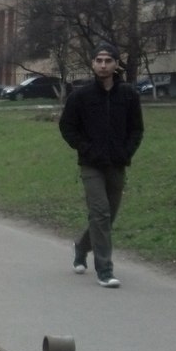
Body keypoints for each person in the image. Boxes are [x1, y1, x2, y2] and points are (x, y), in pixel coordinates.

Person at [59, 42, 143, 288]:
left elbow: (137, 129)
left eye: (108, 61)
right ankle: (105, 270)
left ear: (116, 64)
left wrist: (126, 151)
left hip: (117, 164)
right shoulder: (81, 96)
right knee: (100, 213)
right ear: (93, 64)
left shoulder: (128, 95)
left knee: (107, 218)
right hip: (91, 165)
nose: (103, 65)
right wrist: (85, 148)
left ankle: (81, 246)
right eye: (99, 60)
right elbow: (67, 127)